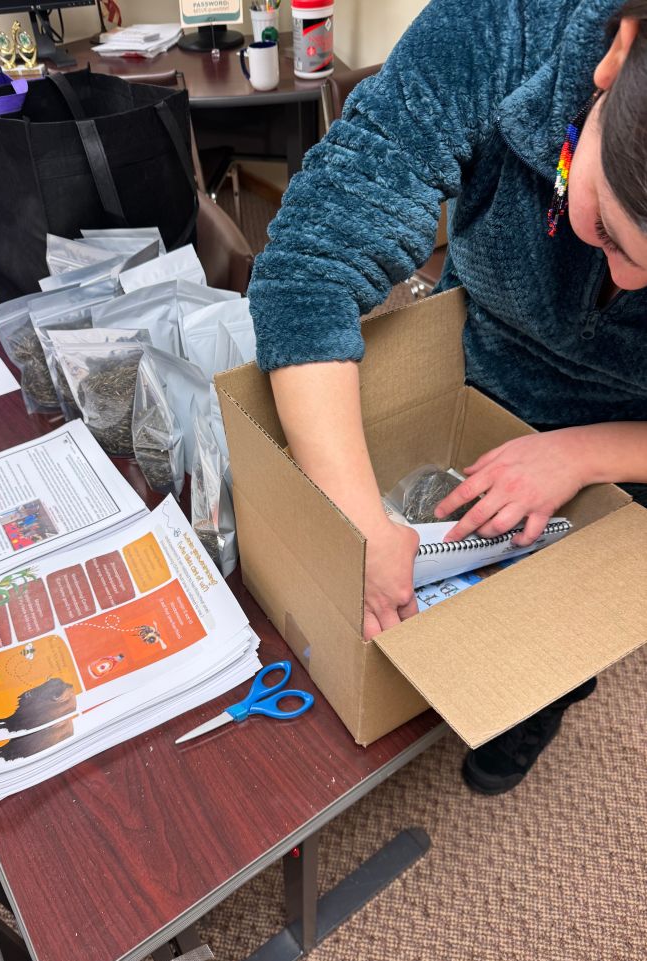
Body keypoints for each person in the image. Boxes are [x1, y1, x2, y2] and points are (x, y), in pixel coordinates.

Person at [247, 0, 647, 795]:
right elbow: (308, 270)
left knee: (562, 624)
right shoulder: (503, 27)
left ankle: (541, 703)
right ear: (616, 59)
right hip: (479, 372)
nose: (630, 285)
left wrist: (588, 451)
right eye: (611, 232)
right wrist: (360, 528)